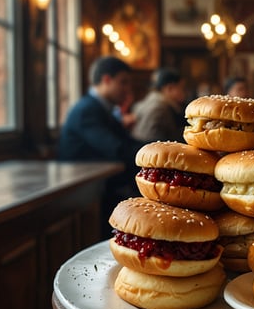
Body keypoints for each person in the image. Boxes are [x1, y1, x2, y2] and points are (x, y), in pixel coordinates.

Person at [58, 56, 145, 237]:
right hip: (82, 192)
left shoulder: (101, 108)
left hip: (101, 184)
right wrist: (151, 154)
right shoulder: (87, 110)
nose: (128, 90)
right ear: (106, 80)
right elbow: (116, 149)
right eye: (123, 82)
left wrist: (157, 148)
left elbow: (127, 143)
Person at [131, 67, 187, 142]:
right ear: (169, 88)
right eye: (182, 88)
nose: (184, 93)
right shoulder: (159, 108)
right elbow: (153, 141)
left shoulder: (151, 101)